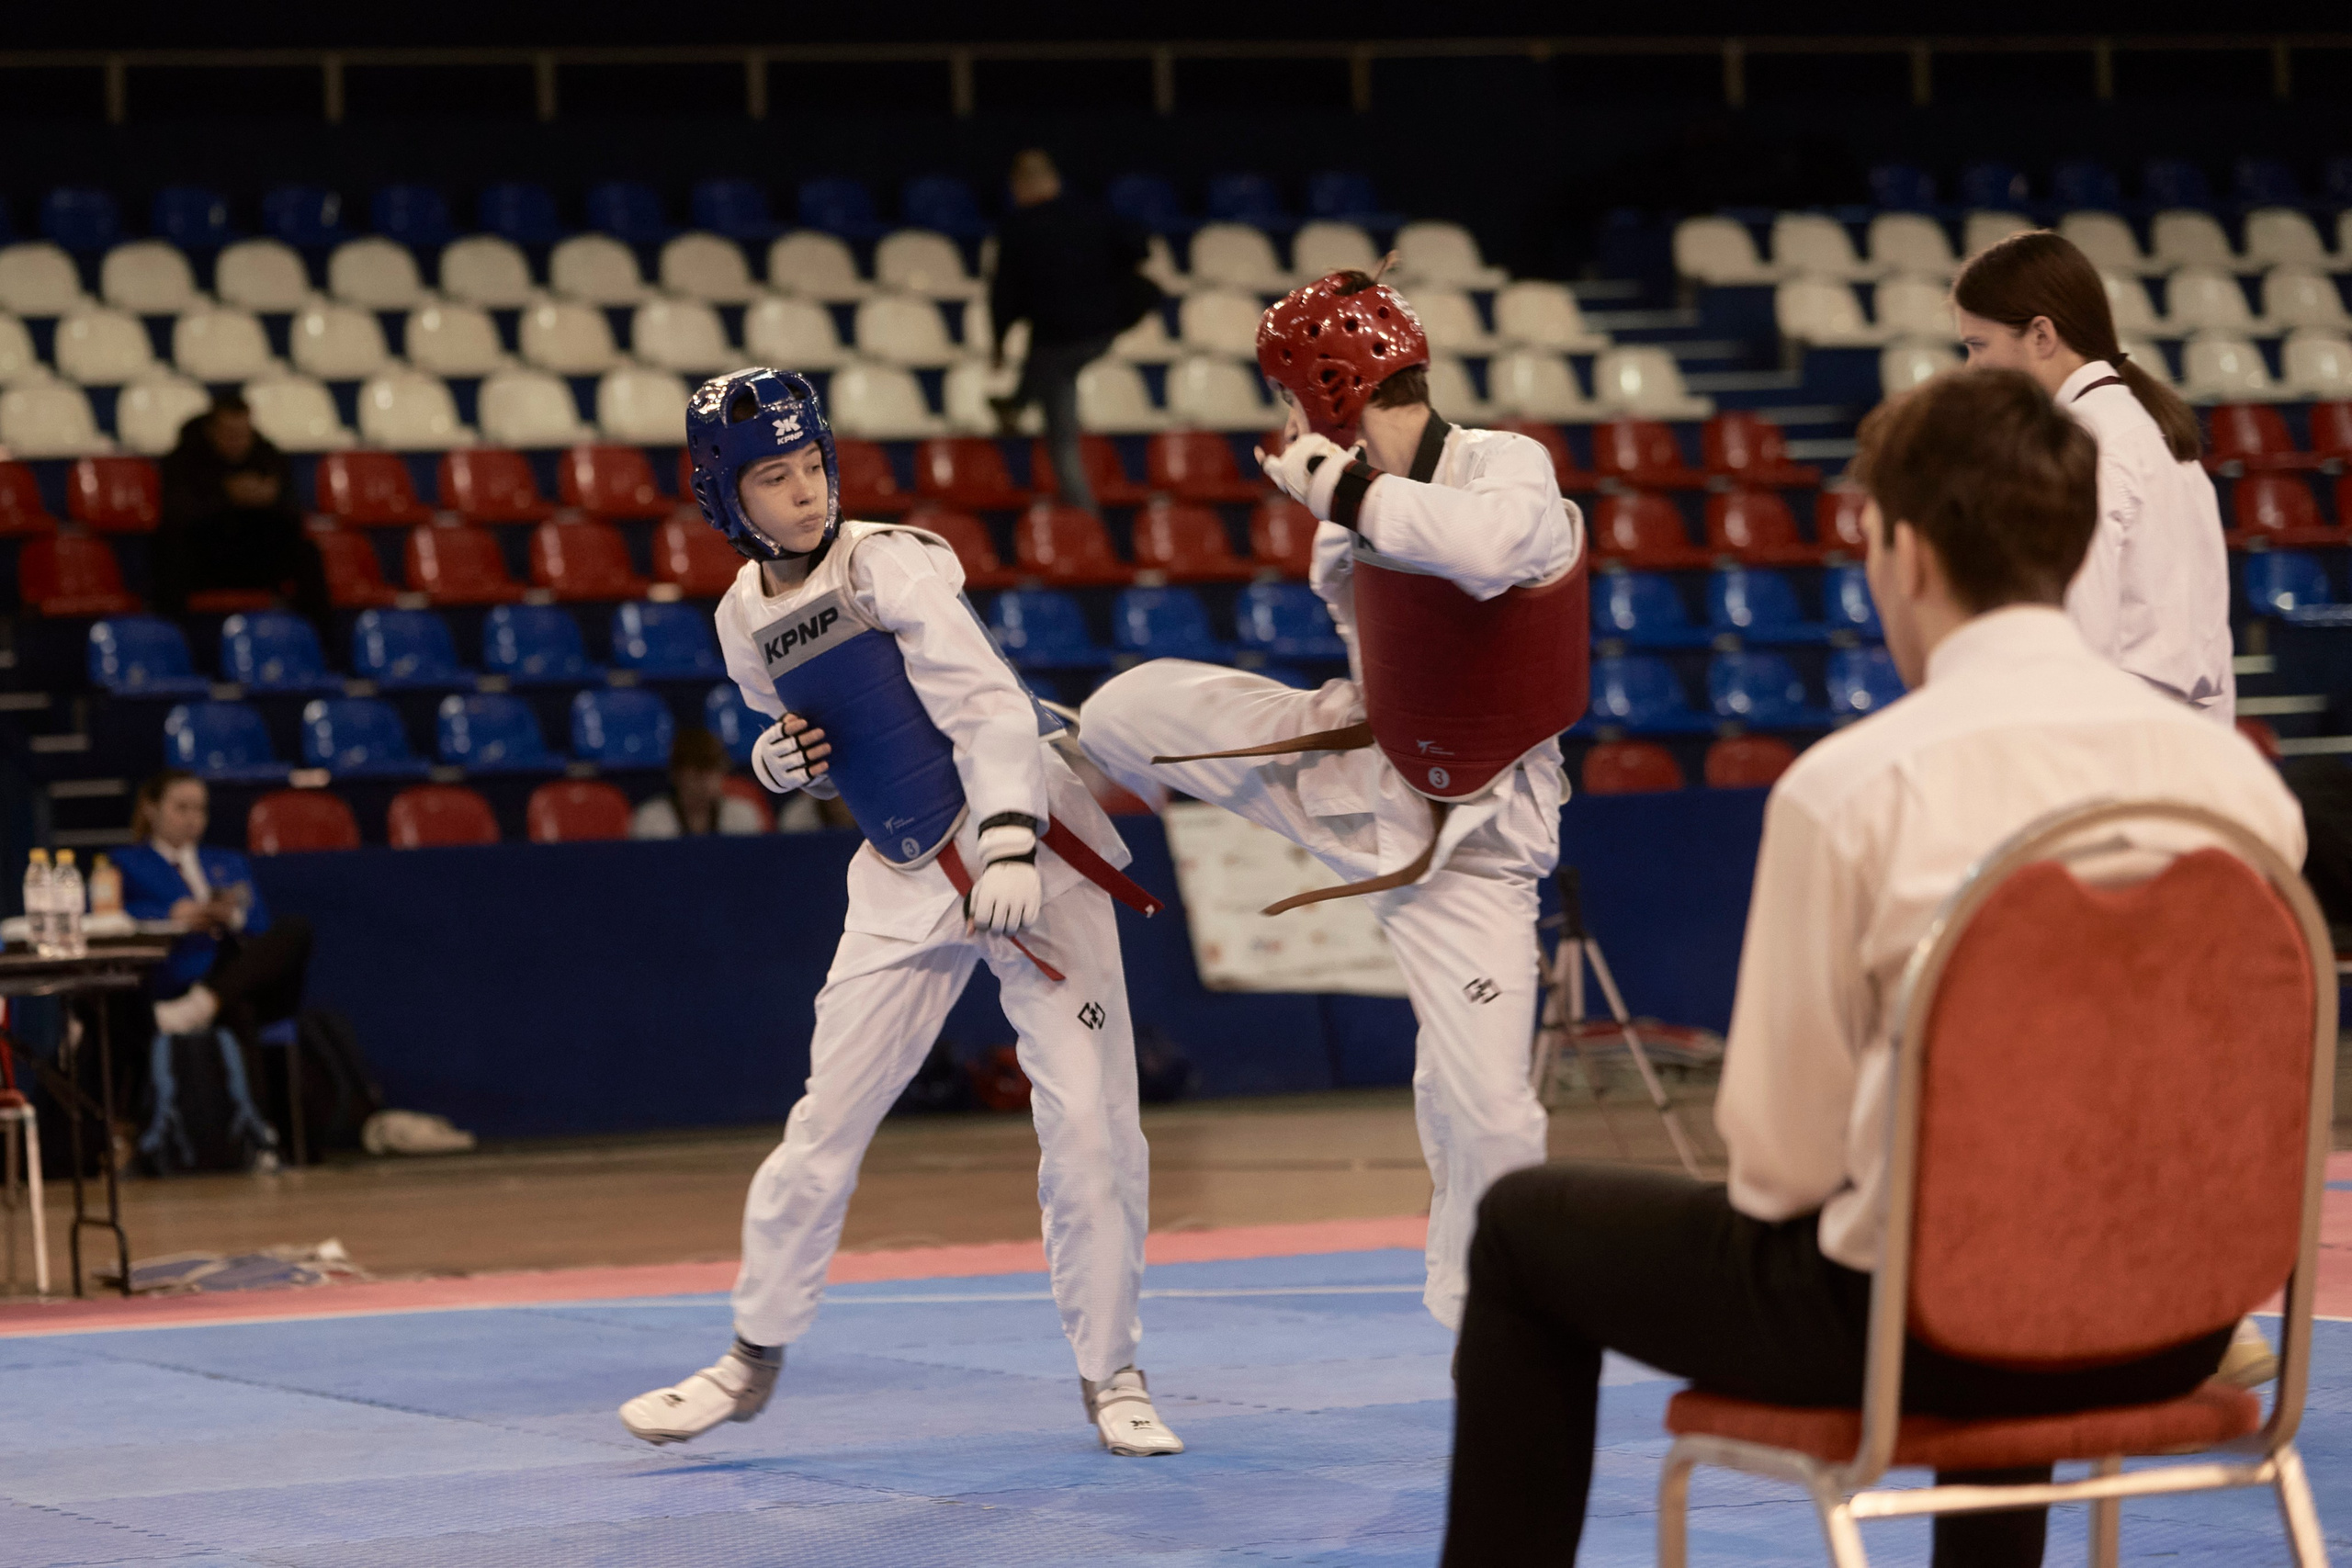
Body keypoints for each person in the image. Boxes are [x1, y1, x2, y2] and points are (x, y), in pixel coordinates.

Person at [1438, 370, 2305, 1568]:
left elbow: (1781, 1159)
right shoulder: (2241, 785)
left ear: (1899, 548)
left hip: (1929, 1325)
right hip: (2182, 1314)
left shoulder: (1859, 784)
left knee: (1526, 1224)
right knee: (2021, 1206)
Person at [618, 368, 1183, 1458]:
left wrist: (1013, 838)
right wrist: (778, 762)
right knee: (824, 1121)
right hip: (902, 874)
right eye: (774, 479)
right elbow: (817, 732)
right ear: (725, 500)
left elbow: (984, 708)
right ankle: (749, 1356)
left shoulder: (892, 562)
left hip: (1031, 850)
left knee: (1090, 1128)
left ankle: (1113, 1372)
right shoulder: (743, 617)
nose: (803, 493)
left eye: (812, 467)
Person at [1080, 269, 1587, 1333]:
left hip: (1473, 839)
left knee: (1486, 1112)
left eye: (1287, 397)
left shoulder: (1508, 466)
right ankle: (1022, 801)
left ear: (1323, 389)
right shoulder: (1336, 512)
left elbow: (1488, 558)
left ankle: (1488, 1327)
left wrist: (1345, 490)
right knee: (1121, 712)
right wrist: (1344, 498)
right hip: (1359, 771)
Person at [1952, 230, 2234, 724]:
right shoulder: (2152, 425)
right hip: (2185, 745)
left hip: (2119, 747)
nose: (1972, 368)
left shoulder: (2082, 441)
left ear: (2041, 335)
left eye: (1979, 345)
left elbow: (2081, 644)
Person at [986, 150, 1159, 515]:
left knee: (1061, 431)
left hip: (1061, 336)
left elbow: (1004, 293)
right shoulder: (1092, 212)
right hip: (1097, 332)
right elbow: (1137, 244)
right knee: (1053, 373)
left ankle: (1084, 515)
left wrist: (999, 344)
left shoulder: (1021, 226)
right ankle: (1016, 405)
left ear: (1022, 186)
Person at [117, 772, 313, 1045]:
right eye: (181, 808)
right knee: (239, 1010)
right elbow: (112, 916)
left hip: (236, 969)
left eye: (199, 809)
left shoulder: (228, 862)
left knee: (296, 928)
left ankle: (203, 1004)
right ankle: (209, 1004)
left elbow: (260, 926)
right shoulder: (127, 863)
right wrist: (172, 916)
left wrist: (231, 916)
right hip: (180, 971)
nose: (192, 819)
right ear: (152, 809)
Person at [154, 394, 334, 641]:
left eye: (243, 433)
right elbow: (175, 518)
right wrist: (225, 496)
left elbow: (295, 518)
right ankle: (169, 643)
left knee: (307, 553)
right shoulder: (183, 460)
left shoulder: (269, 457)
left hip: (253, 558)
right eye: (229, 434)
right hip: (205, 559)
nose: (237, 441)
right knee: (168, 554)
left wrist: (271, 501)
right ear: (211, 431)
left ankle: (319, 645)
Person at [628, 726, 795, 838]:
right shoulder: (650, 820)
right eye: (699, 773)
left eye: (714, 770)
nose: (708, 780)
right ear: (677, 775)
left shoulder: (743, 816)